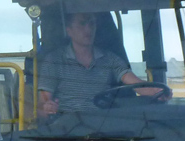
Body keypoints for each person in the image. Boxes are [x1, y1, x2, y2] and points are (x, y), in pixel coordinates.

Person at [37, 12, 167, 117]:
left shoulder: (110, 59)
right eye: (82, 24)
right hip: (67, 130)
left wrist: (157, 91)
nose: (88, 29)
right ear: (69, 30)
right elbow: (42, 104)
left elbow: (136, 84)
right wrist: (48, 107)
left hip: (104, 128)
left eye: (91, 23)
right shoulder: (54, 61)